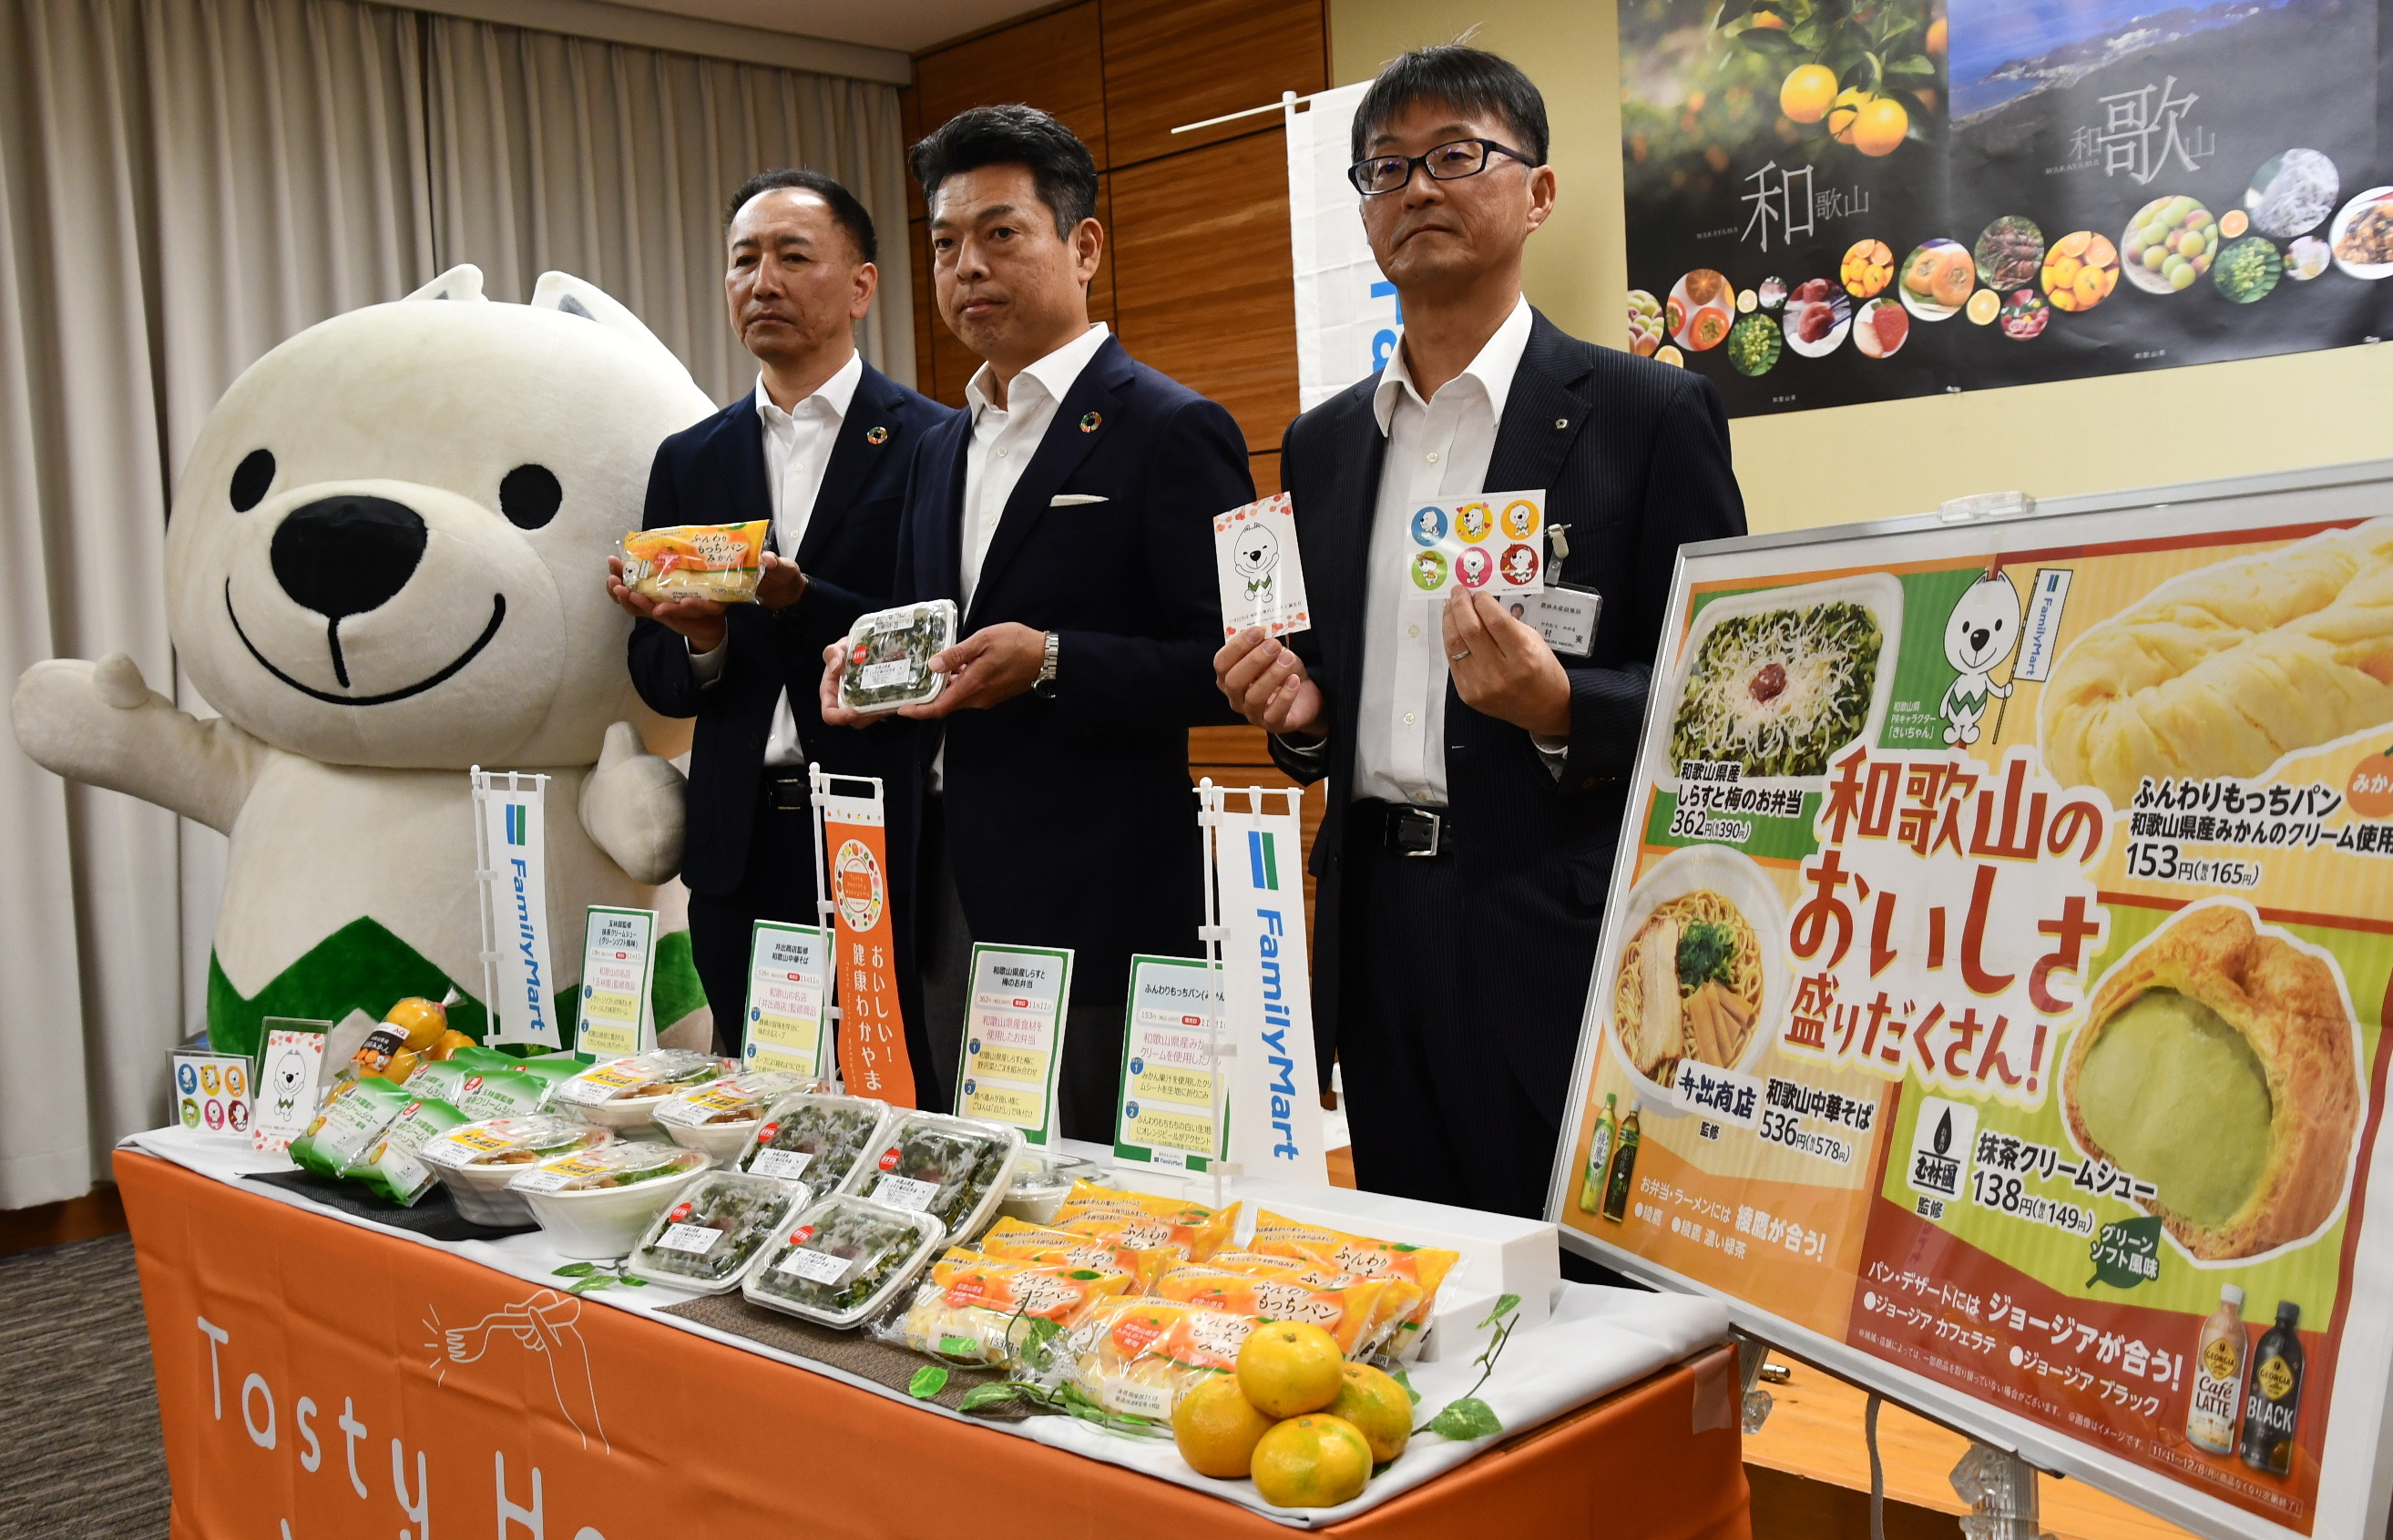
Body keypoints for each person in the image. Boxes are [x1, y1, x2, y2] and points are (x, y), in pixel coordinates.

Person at [1214, 46, 1747, 1221]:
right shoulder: (1322, 443)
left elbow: (1722, 704)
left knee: (1585, 1276)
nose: (1415, 188)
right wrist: (1299, 712)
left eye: (1454, 156)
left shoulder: (1647, 412)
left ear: (1537, 192)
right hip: (1375, 928)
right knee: (1423, 1267)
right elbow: (1333, 686)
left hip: (1554, 924)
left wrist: (1561, 708)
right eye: (1385, 168)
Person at [818, 105, 1253, 1136]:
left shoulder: (1172, 427)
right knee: (966, 1165)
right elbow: (930, 626)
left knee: (1094, 1187)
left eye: (1000, 232)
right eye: (943, 244)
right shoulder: (936, 445)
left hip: (1097, 891)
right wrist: (870, 668)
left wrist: (1052, 661)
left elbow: (1231, 666)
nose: (966, 265)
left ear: (1083, 245)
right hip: (937, 885)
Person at [609, 168, 954, 1073]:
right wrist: (702, 639)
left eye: (793, 257)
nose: (762, 281)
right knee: (756, 1095)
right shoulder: (690, 457)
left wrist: (801, 600)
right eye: (743, 260)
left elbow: (937, 635)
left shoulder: (934, 441)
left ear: (861, 286)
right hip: (739, 840)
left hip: (881, 827)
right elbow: (653, 670)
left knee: (896, 1088)